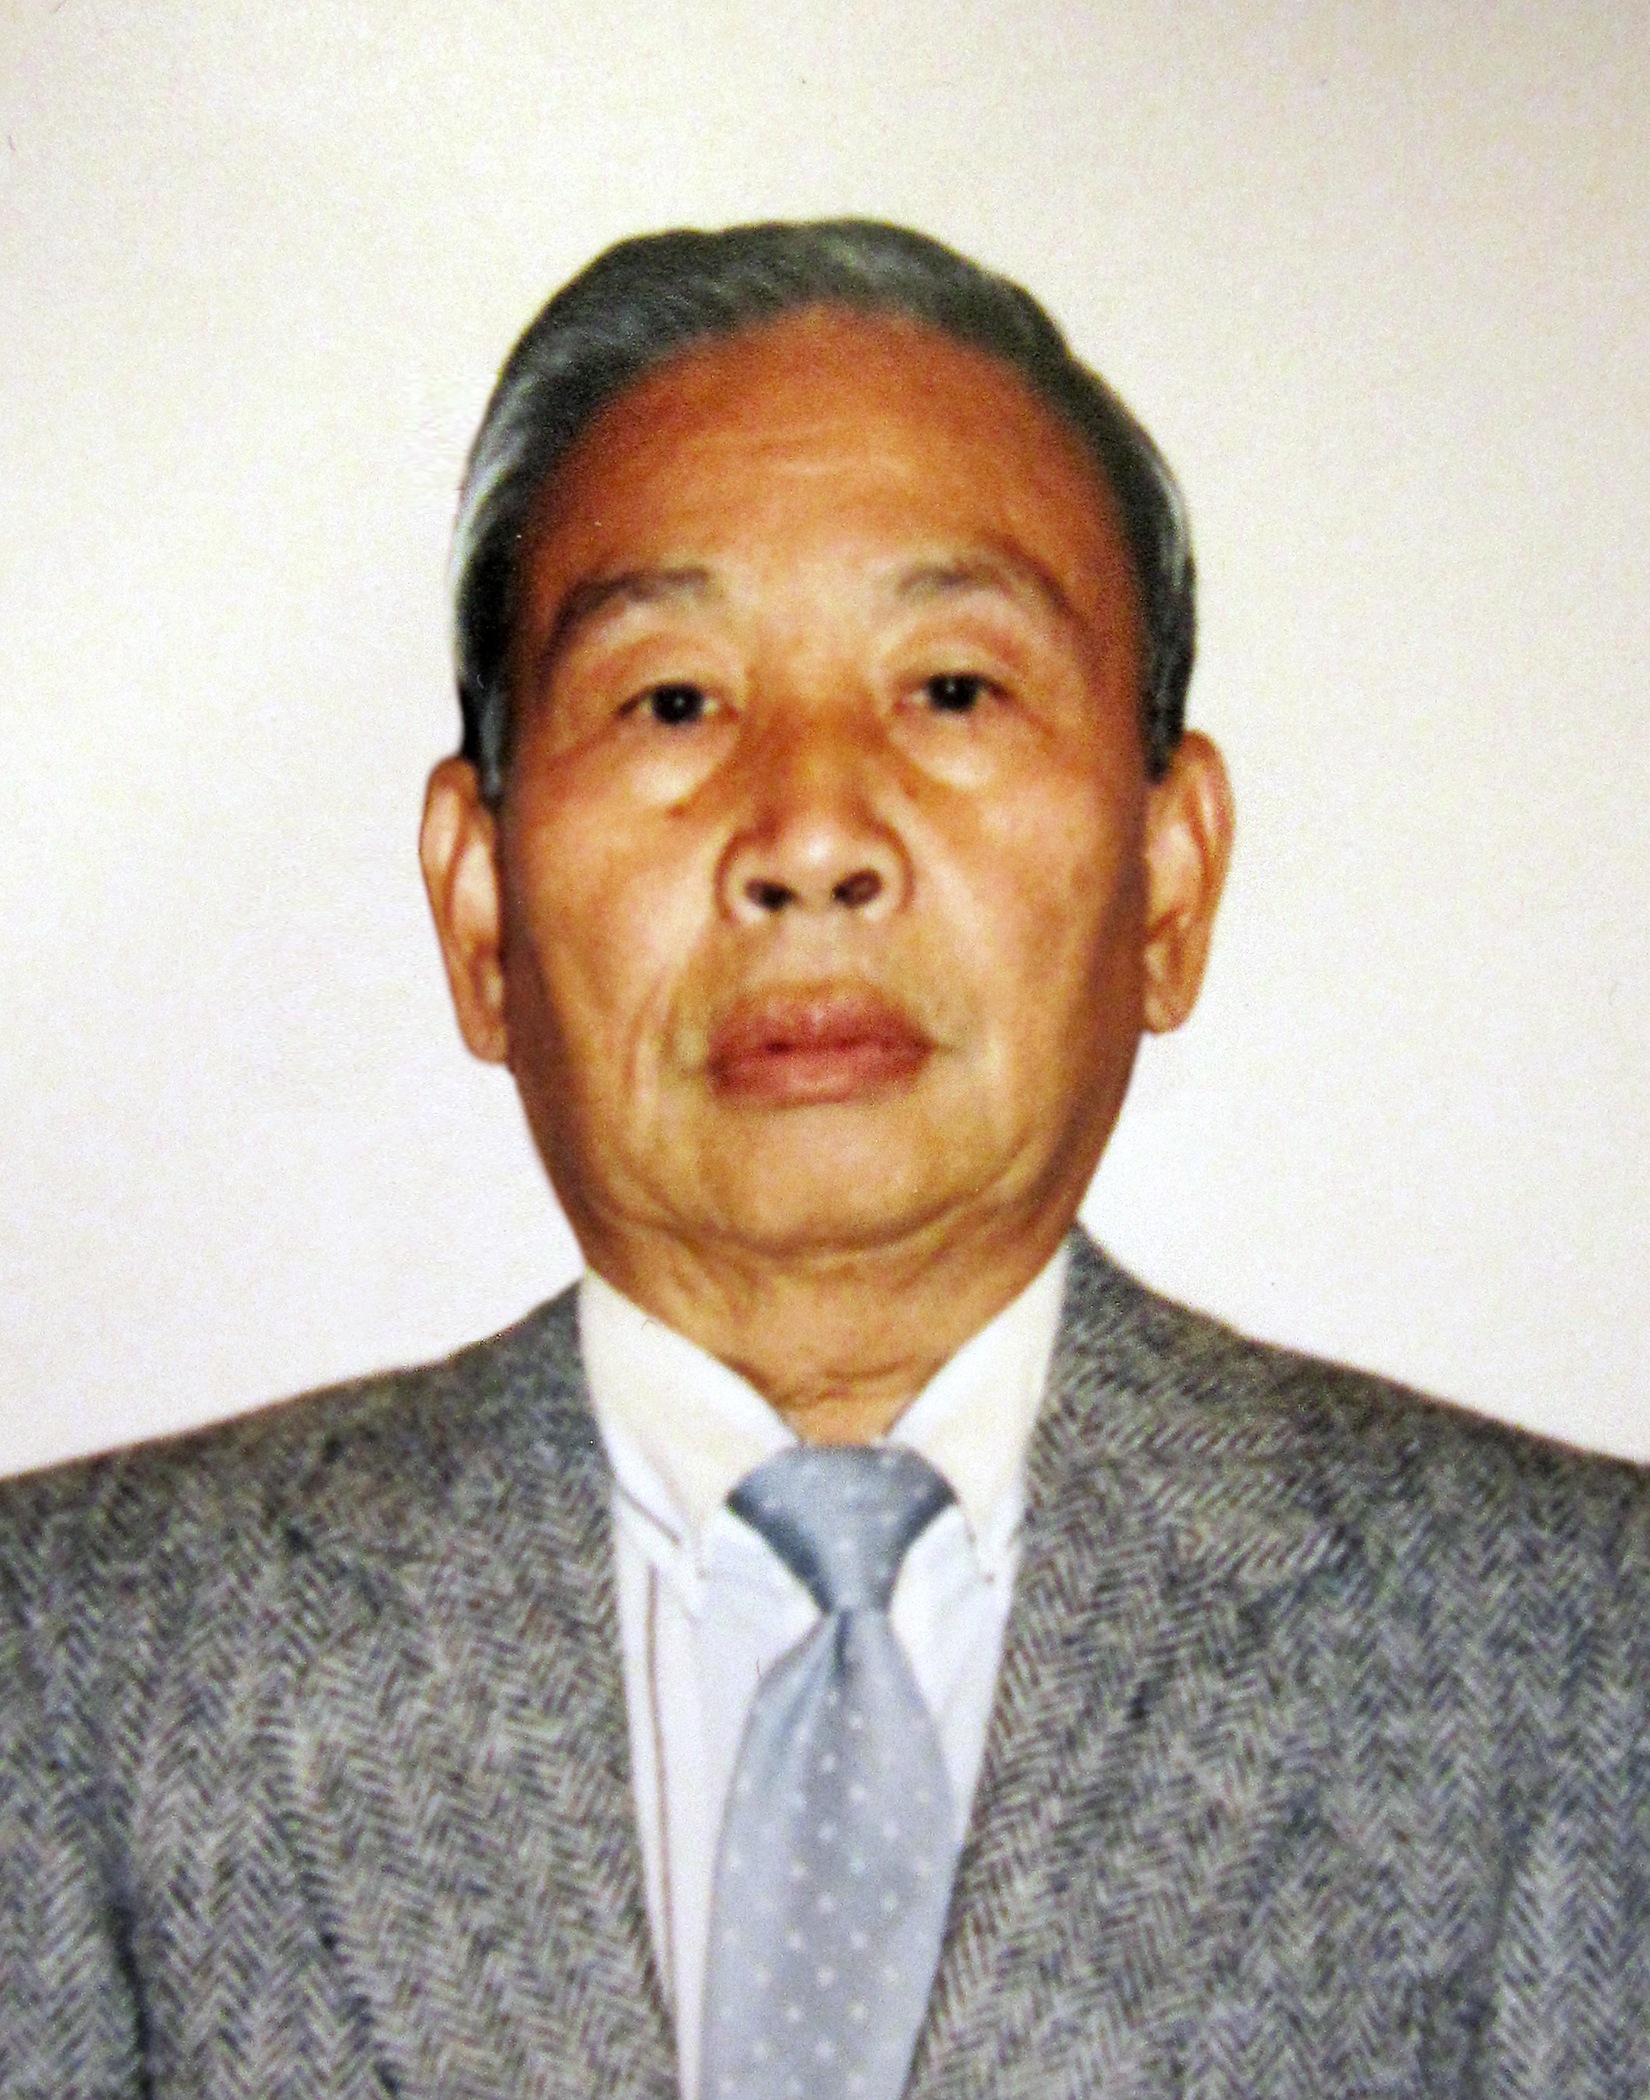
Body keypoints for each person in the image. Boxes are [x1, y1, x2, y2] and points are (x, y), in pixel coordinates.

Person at [2, 220, 1645, 2100]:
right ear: (479, 909)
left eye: (950, 688)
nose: (807, 837)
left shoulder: (1584, 1649)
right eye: (672, 700)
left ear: (1169, 881)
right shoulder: (67, 1664)